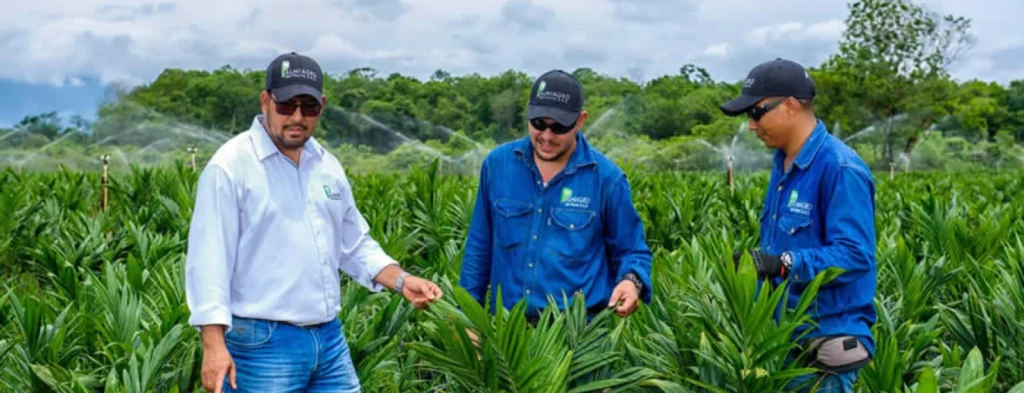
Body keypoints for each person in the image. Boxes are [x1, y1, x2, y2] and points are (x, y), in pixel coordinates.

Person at [184, 52, 443, 393]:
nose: (297, 117)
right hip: (263, 346)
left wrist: (402, 280)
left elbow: (353, 243)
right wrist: (213, 345)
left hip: (328, 339)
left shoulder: (326, 165)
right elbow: (209, 260)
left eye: (309, 107)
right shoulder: (231, 167)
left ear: (322, 106)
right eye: (287, 105)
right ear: (266, 101)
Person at [720, 58, 877, 393]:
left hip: (824, 345)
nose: (751, 125)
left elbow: (856, 255)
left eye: (756, 112)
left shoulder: (840, 167)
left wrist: (784, 264)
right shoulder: (783, 164)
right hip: (784, 341)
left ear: (790, 105)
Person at [459, 69, 653, 325]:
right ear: (528, 110)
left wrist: (631, 282)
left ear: (580, 120)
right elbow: (479, 247)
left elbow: (633, 250)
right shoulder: (498, 165)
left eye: (559, 127)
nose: (547, 136)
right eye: (538, 123)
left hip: (579, 338)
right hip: (509, 335)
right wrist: (468, 320)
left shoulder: (607, 178)